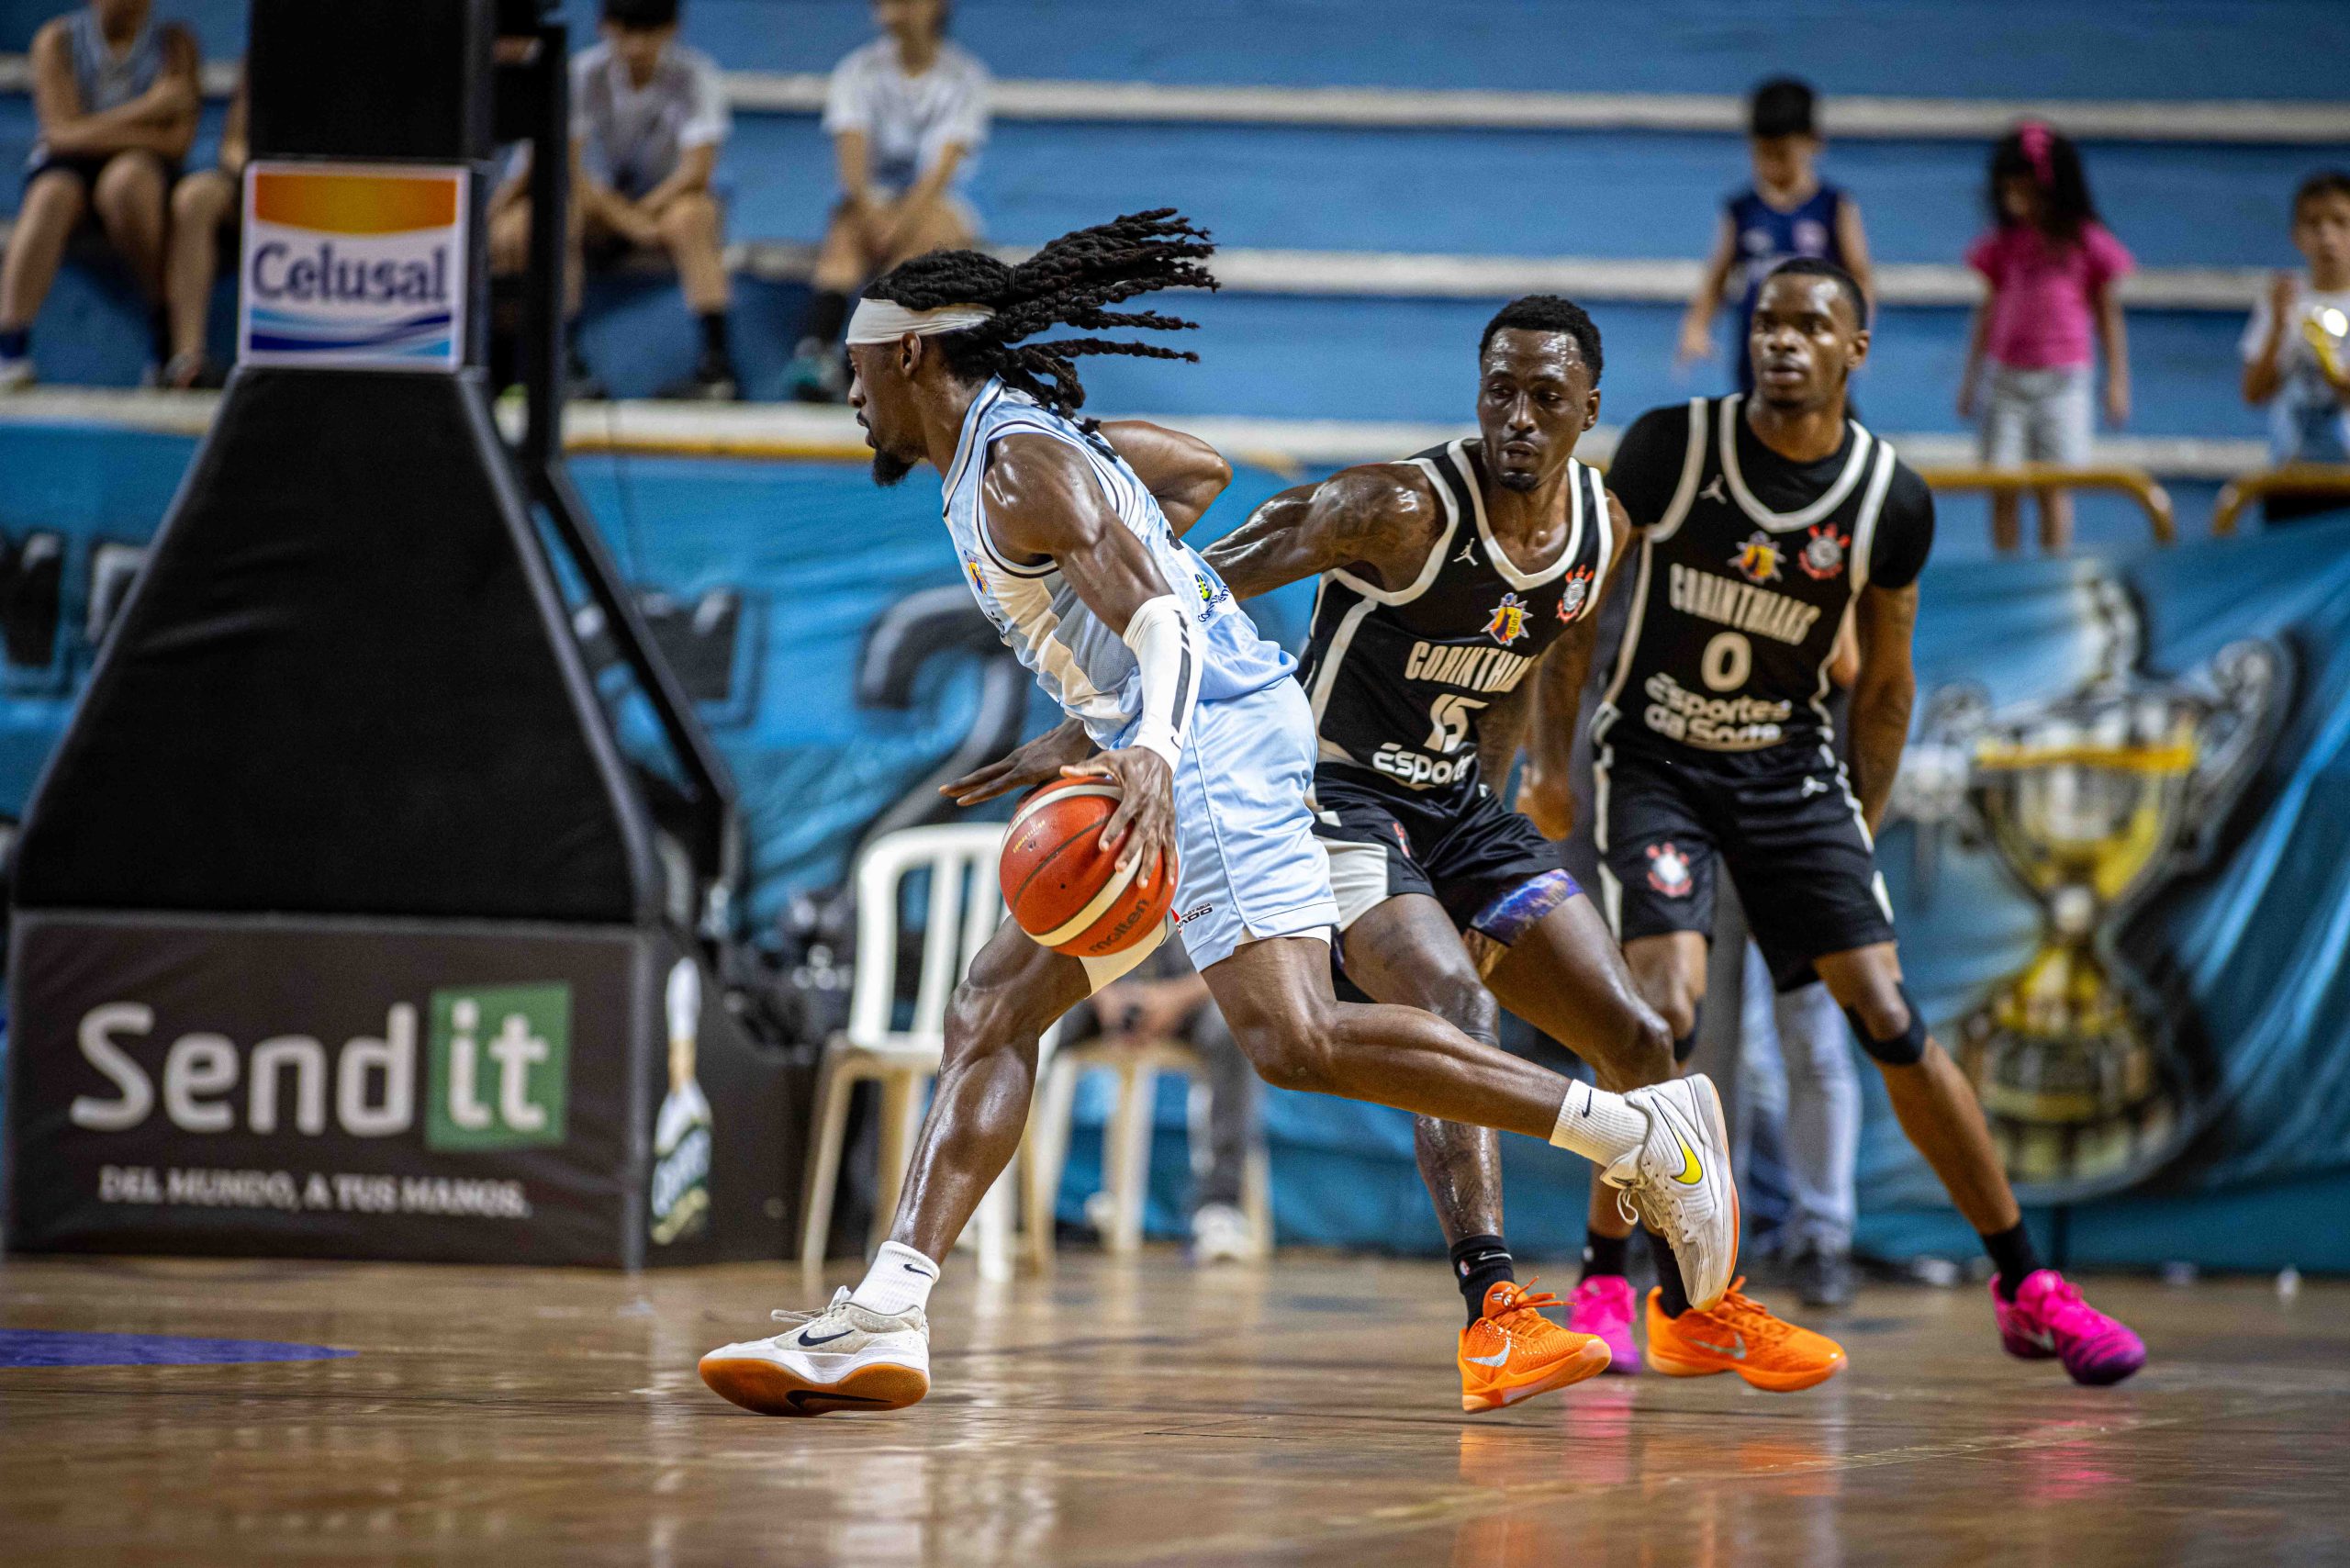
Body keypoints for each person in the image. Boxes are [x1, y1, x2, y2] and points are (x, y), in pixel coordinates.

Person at [698, 212, 1741, 1417]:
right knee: (991, 1007)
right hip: (1178, 735)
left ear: (913, 353)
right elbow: (1194, 473)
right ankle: (887, 1312)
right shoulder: (1027, 446)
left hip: (1213, 742)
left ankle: (1637, 1137)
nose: (845, 390)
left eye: (856, 364)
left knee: (1295, 1040)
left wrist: (1139, 740)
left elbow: (1158, 615)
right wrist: (1110, 678)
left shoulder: (1016, 463)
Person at [1187, 294, 1841, 1399]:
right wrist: (1120, 716)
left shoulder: (1602, 526)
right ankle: (1492, 1314)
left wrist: (1544, 773)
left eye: (1546, 397)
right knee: (1452, 1001)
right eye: (1501, 391)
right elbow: (1193, 587)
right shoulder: (1394, 507)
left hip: (1459, 808)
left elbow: (1558, 644)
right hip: (1336, 796)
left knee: (1637, 1032)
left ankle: (1691, 1309)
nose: (1519, 417)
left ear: (1589, 408)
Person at [1545, 255, 2145, 1387]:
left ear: (1853, 349)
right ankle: (1605, 1279)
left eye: (1810, 325)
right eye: (1767, 320)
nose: (1782, 339)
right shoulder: (1674, 447)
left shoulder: (1887, 498)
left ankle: (2026, 1285)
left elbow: (1885, 686)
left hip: (1789, 771)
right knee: (1662, 1006)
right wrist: (1548, 763)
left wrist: (1850, 832)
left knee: (1883, 1009)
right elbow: (1578, 606)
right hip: (1660, 759)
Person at [487, 0, 739, 399]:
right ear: (605, 28)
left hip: (657, 210)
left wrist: (641, 215)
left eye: (648, 33)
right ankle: (564, 359)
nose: (636, 47)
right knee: (551, 216)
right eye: (625, 32)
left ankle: (716, 366)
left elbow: (696, 170)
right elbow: (570, 168)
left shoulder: (697, 75)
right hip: (595, 210)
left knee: (695, 214)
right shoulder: (582, 73)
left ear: (671, 30)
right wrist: (624, 219)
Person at [784, 0, 989, 402]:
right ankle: (818, 350)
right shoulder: (857, 70)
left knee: (924, 241)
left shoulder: (965, 76)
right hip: (873, 202)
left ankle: (873, 358)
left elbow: (941, 170)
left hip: (937, 202)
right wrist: (872, 216)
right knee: (847, 230)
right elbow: (852, 161)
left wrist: (899, 224)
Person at [0, 0, 199, 391]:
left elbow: (177, 143)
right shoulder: (57, 40)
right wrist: (149, 109)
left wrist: (87, 130)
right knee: (50, 195)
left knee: (128, 183)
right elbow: (59, 136)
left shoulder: (175, 44)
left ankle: (164, 327)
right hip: (68, 170)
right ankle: (10, 342)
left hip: (138, 171)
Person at [1956, 122, 2132, 554]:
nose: (2017, 200)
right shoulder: (2003, 244)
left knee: (2054, 485)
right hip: (2004, 379)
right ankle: (2007, 569)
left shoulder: (2085, 241)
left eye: (2027, 190)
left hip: (2064, 381)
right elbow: (1988, 311)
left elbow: (2107, 314)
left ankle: (2052, 569)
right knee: (2002, 483)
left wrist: (2117, 381)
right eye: (2010, 190)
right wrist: (1970, 379)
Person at [1067, 943, 1262, 1263]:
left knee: (1233, 1026)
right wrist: (1102, 995)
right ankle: (1011, 1200)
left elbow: (1245, 952)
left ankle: (1219, 1206)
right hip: (1096, 987)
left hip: (1197, 991)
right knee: (1029, 1017)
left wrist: (1175, 997)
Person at [1677, 77, 1872, 398]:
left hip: (1818, 356)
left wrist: (1856, 332)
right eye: (1762, 154)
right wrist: (1696, 327)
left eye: (1782, 155)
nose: (1771, 166)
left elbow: (1860, 276)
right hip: (1758, 357)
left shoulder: (1834, 207)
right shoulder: (1743, 210)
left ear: (1814, 143)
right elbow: (1717, 277)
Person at [2241, 170, 2350, 523]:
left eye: (2340, 222)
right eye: (2314, 224)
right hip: (2291, 475)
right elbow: (2253, 393)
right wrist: (2277, 326)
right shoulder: (2281, 302)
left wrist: (2335, 371)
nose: (2327, 236)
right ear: (2296, 236)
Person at [159, 68, 242, 390]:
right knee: (194, 198)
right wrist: (259, 174)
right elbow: (234, 143)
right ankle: (187, 359)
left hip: (345, 185)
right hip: (263, 185)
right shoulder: (268, 54)